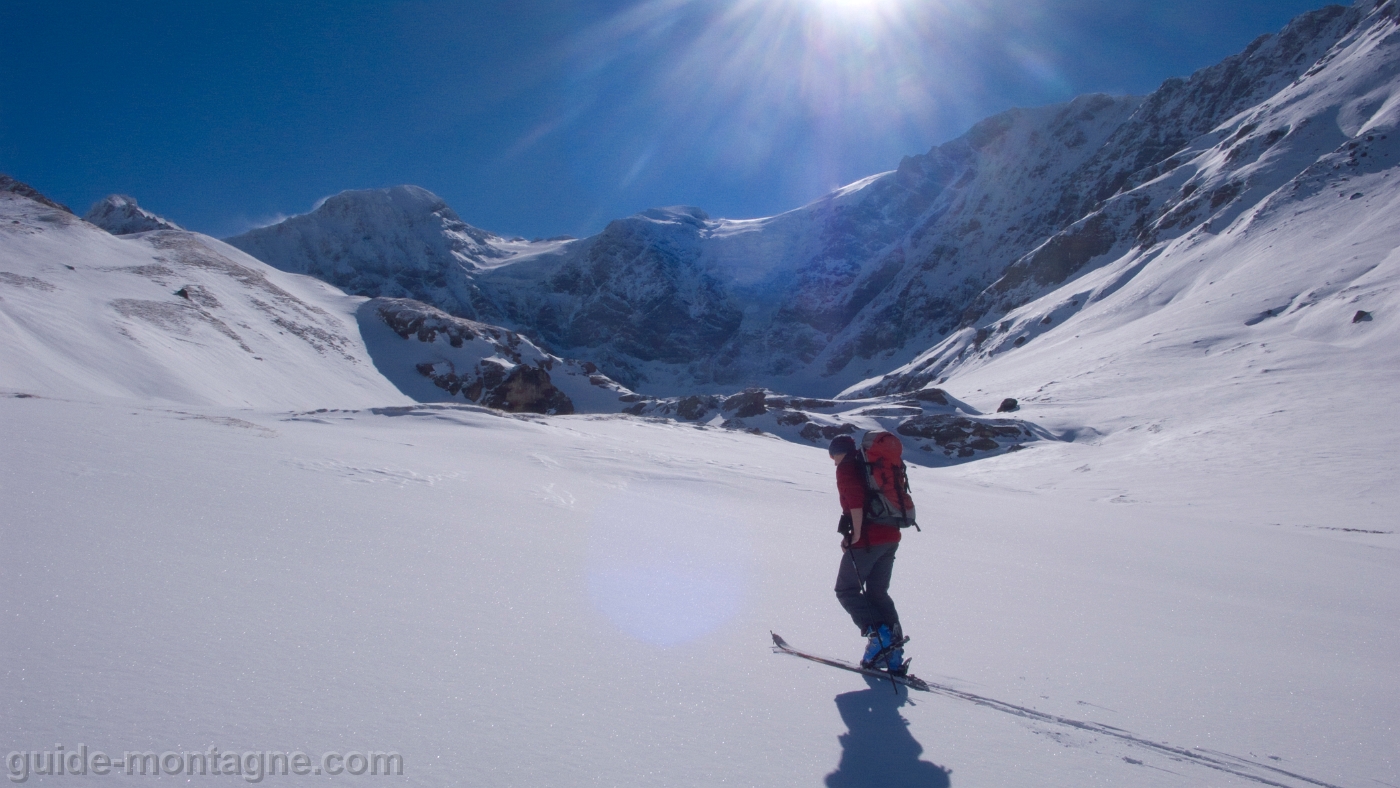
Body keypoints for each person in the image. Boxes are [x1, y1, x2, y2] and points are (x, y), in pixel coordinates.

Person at [829, 435, 906, 673]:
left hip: (869, 540)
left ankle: (879, 636)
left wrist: (857, 535)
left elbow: (855, 500)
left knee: (846, 589)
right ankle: (893, 654)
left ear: (839, 452)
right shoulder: (867, 465)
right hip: (891, 536)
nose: (833, 463)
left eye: (833, 457)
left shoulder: (847, 466)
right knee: (877, 593)